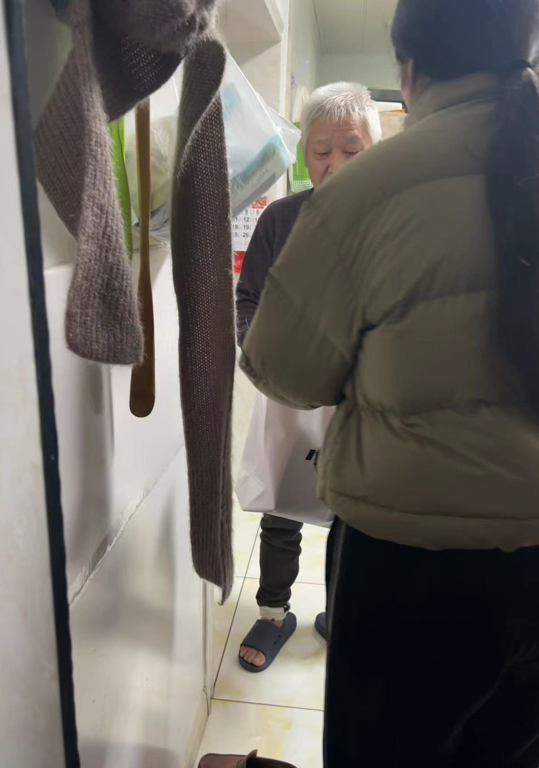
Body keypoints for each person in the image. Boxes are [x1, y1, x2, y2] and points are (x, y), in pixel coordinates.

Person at [240, 0, 539, 765]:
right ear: (536, 60)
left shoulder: (366, 192)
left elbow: (283, 367)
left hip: (414, 561)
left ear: (409, 70)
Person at [236, 83, 382, 672]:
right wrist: (267, 358)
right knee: (284, 505)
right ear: (304, 154)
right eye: (321, 151)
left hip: (364, 401)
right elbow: (248, 301)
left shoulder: (396, 220)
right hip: (291, 392)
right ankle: (274, 613)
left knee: (354, 516)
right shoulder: (281, 219)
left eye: (351, 149)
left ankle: (339, 615)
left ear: (375, 148)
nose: (335, 164)